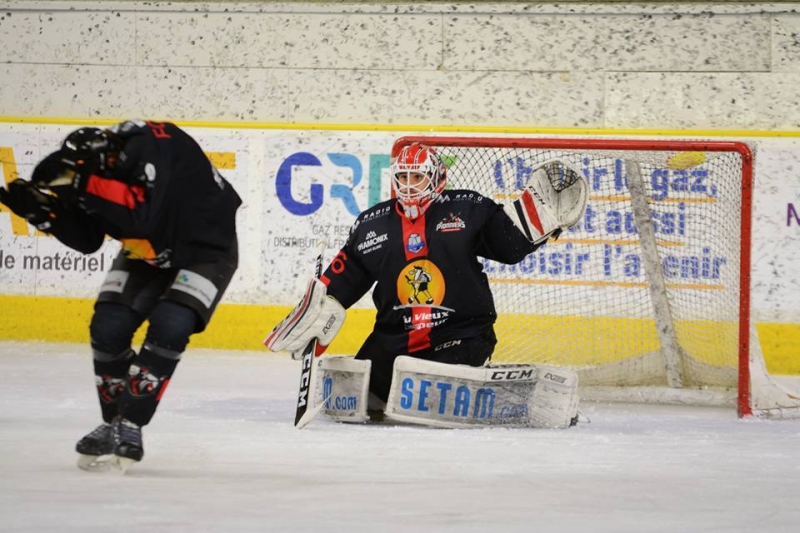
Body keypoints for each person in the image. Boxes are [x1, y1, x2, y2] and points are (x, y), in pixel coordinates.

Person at [266, 143, 587, 425]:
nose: (408, 186)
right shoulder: (372, 225)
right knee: (359, 394)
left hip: (461, 334)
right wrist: (325, 301)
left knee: (429, 383)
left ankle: (490, 387)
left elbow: (507, 244)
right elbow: (344, 275)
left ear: (435, 178)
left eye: (416, 177)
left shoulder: (468, 209)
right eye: (402, 178)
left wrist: (536, 220)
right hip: (395, 339)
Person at [0, 119, 241, 469]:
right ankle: (114, 422)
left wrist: (80, 185)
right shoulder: (88, 175)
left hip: (207, 251)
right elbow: (88, 240)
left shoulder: (152, 144)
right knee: (107, 328)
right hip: (149, 252)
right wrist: (46, 214)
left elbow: (142, 215)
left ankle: (131, 422)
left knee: (171, 324)